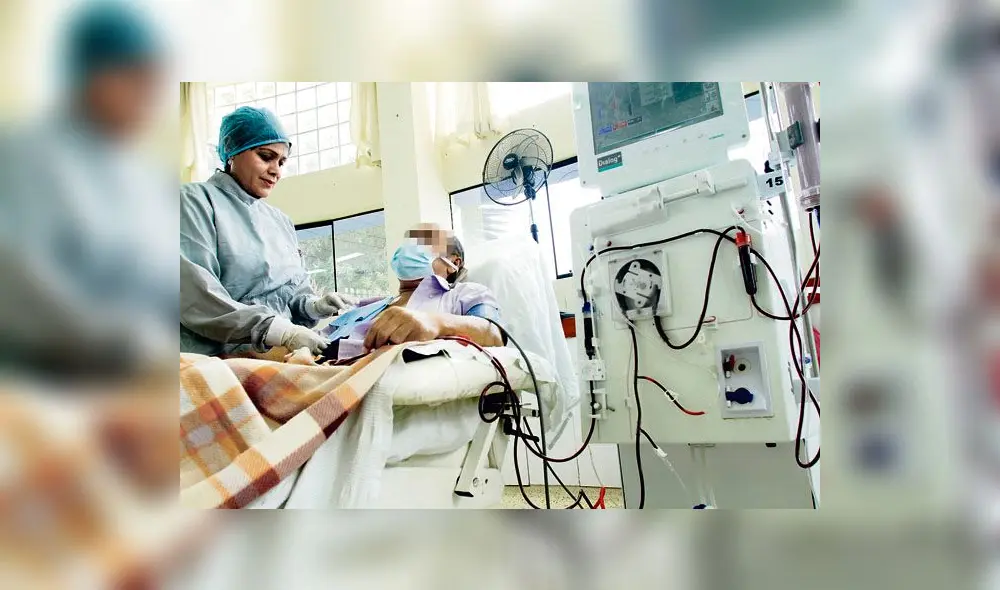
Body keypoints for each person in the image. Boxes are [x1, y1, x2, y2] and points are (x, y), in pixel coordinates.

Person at [180, 106, 352, 356]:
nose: (276, 170)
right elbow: (196, 297)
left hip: (280, 356)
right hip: (220, 362)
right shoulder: (193, 202)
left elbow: (291, 296)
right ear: (232, 153)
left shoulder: (280, 221)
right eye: (265, 156)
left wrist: (314, 307)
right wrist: (281, 332)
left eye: (282, 162)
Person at [330, 226, 503, 360]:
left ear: (453, 263)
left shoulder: (466, 293)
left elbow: (494, 335)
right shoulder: (368, 306)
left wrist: (437, 323)